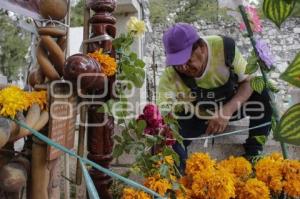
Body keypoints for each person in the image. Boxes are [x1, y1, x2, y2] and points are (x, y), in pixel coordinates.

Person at [157, 23, 272, 172]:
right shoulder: (171, 74)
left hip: (230, 105)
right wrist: (165, 121)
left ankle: (253, 154)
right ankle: (178, 178)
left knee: (264, 91)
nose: (183, 68)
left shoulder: (223, 48)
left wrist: (226, 111)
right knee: (170, 135)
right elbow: (163, 109)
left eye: (187, 60)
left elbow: (248, 82)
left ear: (202, 48)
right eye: (178, 63)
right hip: (198, 116)